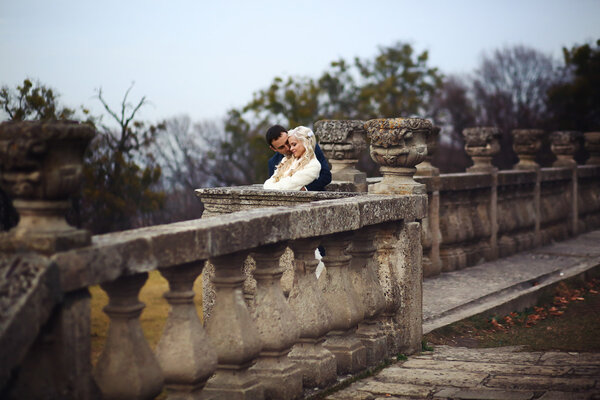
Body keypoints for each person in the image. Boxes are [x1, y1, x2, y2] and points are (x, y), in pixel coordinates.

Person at [266, 124, 331, 191]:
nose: (288, 148)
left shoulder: (310, 147)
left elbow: (326, 176)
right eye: (281, 147)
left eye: (287, 142)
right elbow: (274, 186)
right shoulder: (273, 162)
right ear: (274, 149)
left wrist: (305, 189)